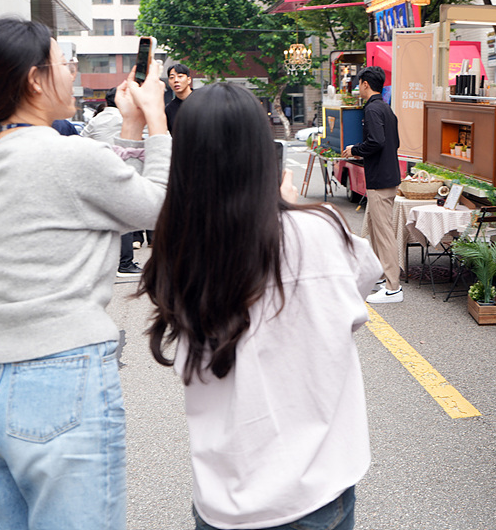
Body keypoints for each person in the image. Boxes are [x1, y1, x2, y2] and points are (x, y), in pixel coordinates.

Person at [0, 20, 171, 530]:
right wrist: (158, 126)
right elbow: (156, 208)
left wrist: (128, 129)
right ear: (36, 79)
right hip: (63, 379)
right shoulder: (69, 155)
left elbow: (107, 200)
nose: (74, 72)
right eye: (65, 63)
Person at [140, 83, 381, 530]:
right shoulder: (318, 233)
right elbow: (362, 285)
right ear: (262, 154)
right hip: (316, 488)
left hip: (223, 497)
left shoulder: (180, 249)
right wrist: (290, 207)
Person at [342, 66, 403, 304]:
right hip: (388, 176)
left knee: (384, 232)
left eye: (359, 84)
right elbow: (393, 142)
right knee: (378, 230)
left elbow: (376, 141)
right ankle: (382, 275)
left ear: (366, 84)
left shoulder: (372, 109)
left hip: (379, 179)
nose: (358, 88)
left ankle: (393, 287)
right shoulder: (386, 108)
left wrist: (355, 150)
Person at [79, 92, 143, 277]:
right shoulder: (125, 118)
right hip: (122, 171)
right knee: (125, 217)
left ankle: (102, 265)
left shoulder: (96, 120)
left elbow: (83, 138)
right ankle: (125, 263)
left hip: (98, 173)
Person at [165, 63, 194, 131]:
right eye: (172, 77)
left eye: (180, 76)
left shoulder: (203, 98)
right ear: (169, 82)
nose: (176, 80)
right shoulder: (169, 109)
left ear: (189, 80)